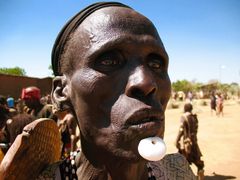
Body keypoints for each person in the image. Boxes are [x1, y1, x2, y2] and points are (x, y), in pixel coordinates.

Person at [0, 2, 196, 179]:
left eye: (155, 63)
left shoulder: (178, 171)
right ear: (61, 92)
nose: (146, 82)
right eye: (109, 61)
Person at [175, 103, 204, 180]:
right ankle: (200, 170)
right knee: (195, 157)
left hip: (186, 142)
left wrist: (177, 140)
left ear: (185, 109)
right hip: (194, 140)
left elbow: (181, 130)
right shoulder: (194, 117)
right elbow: (196, 128)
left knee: (183, 158)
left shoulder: (184, 117)